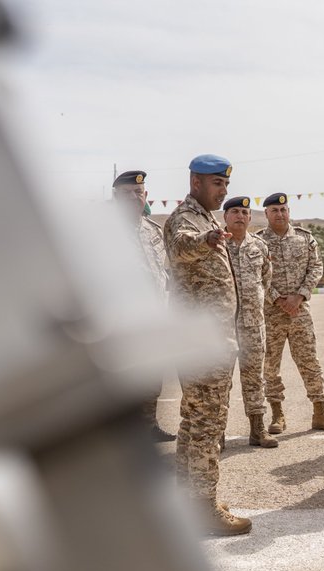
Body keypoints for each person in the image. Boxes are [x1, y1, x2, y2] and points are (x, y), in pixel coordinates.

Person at [162, 154, 251, 535]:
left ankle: (188, 501)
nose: (224, 190)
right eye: (218, 184)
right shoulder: (187, 219)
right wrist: (208, 238)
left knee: (193, 419)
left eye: (226, 184)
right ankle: (203, 508)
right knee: (207, 423)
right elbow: (182, 246)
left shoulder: (206, 216)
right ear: (196, 182)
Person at [255, 192, 324, 434]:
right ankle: (277, 414)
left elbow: (316, 267)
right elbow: (256, 274)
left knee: (309, 362)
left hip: (300, 311)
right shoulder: (258, 242)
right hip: (272, 313)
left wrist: (299, 296)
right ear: (267, 214)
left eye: (283, 210)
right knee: (270, 365)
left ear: (288, 212)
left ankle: (320, 412)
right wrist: (278, 299)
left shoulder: (305, 239)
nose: (280, 214)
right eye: (274, 211)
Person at [113, 169, 174, 441]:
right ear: (116, 197)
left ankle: (149, 426)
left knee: (152, 378)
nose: (134, 197)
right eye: (127, 193)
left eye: (138, 192)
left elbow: (165, 272)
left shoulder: (154, 231)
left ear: (146, 196)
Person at [223, 196, 277, 448]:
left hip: (253, 324)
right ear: (225, 217)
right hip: (223, 325)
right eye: (234, 211)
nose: (240, 216)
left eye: (244, 213)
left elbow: (265, 279)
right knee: (221, 380)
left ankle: (258, 429)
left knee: (255, 377)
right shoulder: (216, 244)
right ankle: (216, 433)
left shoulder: (259, 245)